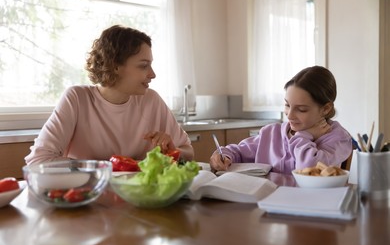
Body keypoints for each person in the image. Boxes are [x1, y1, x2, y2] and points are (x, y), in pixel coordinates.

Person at [25, 25, 194, 165]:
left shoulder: (151, 100)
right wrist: (107, 167)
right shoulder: (77, 99)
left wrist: (173, 152)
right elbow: (38, 161)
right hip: (88, 195)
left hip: (137, 198)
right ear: (115, 66)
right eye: (143, 66)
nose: (152, 74)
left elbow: (188, 152)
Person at [210, 66, 352, 174]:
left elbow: (309, 169)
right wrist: (223, 156)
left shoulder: (338, 139)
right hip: (268, 206)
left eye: (301, 109)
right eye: (287, 105)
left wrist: (303, 136)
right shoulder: (272, 133)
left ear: (326, 109)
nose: (289, 115)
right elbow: (239, 152)